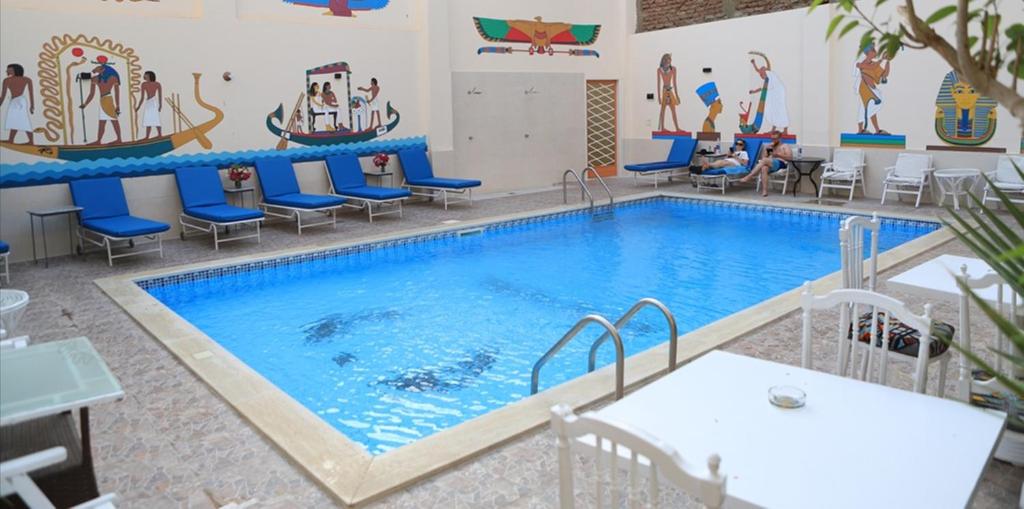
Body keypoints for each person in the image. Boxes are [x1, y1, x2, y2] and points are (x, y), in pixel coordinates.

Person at [80, 60, 123, 145]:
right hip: (103, 100)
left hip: (108, 100)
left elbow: (117, 93)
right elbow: (91, 94)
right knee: (102, 121)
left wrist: (118, 105)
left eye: (99, 69)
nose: (96, 70)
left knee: (113, 120)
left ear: (104, 69)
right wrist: (85, 104)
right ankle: (99, 140)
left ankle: (119, 139)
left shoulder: (113, 78)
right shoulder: (95, 79)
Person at [739, 131, 791, 197]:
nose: (773, 140)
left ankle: (750, 176)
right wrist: (767, 149)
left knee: (765, 161)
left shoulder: (785, 146)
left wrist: (777, 154)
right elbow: (763, 158)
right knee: (764, 168)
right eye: (772, 139)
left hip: (781, 163)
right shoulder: (770, 146)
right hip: (770, 163)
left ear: (780, 138)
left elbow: (790, 157)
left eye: (775, 139)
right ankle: (765, 191)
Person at [854, 42, 891, 134]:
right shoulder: (860, 63)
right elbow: (871, 67)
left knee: (868, 109)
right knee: (867, 108)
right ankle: (866, 130)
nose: (875, 52)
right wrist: (882, 59)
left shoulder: (875, 64)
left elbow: (884, 74)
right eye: (873, 50)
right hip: (864, 89)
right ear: (868, 52)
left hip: (872, 90)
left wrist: (888, 61)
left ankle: (871, 130)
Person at [748, 56, 789, 134]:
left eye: (761, 73)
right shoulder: (767, 78)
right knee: (773, 110)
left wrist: (762, 59)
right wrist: (754, 64)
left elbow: (763, 86)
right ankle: (773, 129)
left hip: (778, 93)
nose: (760, 75)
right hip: (773, 93)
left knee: (780, 109)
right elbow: (758, 73)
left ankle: (785, 130)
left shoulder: (770, 75)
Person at [0, 63, 35, 144]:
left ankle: (30, 141)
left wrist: (32, 105)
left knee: (21, 120)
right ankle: (11, 139)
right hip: (15, 101)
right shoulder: (6, 80)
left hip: (18, 101)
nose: (7, 71)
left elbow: (31, 92)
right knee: (15, 120)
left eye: (9, 69)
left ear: (15, 70)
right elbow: (3, 95)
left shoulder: (26, 79)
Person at [656, 53, 681, 132]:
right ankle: (662, 127)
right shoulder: (659, 70)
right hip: (664, 91)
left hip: (670, 91)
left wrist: (677, 96)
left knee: (673, 110)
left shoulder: (673, 69)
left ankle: (677, 128)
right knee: (663, 110)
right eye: (667, 60)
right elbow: (658, 84)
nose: (669, 61)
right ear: (664, 60)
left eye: (670, 60)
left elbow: (674, 83)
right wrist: (659, 97)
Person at [135, 70, 162, 139]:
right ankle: (147, 136)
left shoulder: (157, 84)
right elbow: (142, 97)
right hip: (148, 102)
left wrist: (160, 105)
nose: (144, 76)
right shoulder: (144, 84)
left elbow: (160, 95)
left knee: (155, 119)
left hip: (153, 102)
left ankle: (159, 134)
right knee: (148, 120)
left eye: (146, 75)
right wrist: (138, 106)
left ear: (149, 75)